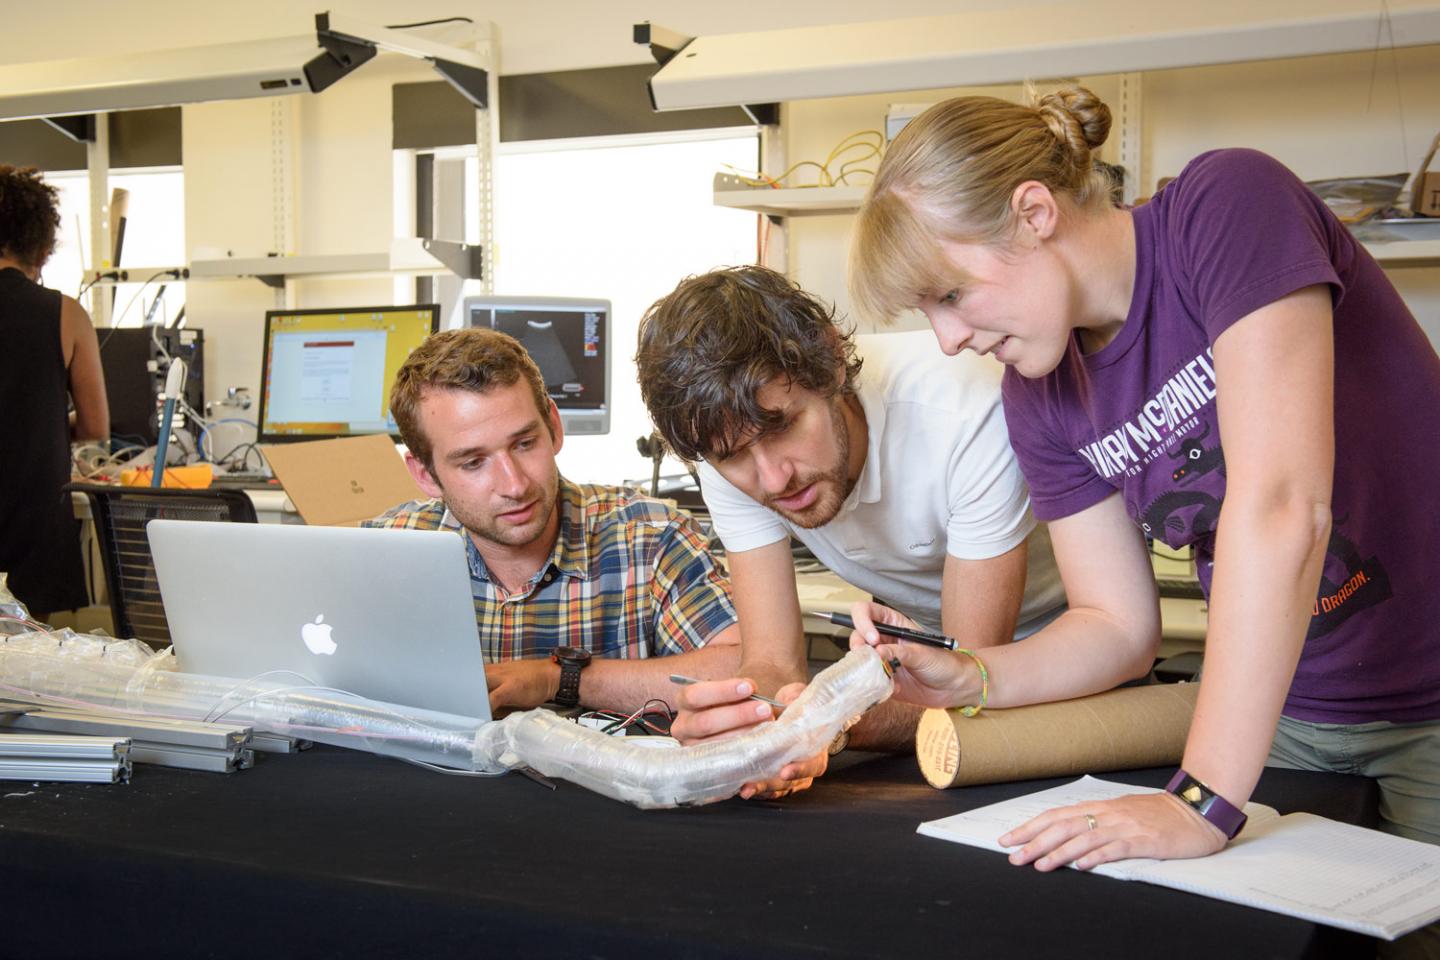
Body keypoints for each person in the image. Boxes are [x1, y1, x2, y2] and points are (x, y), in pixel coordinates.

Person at [847, 87, 1440, 871]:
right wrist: (973, 674)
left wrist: (1204, 801)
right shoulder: (1039, 396)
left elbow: (1285, 507)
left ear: (1033, 212)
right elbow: (1116, 628)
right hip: (1288, 725)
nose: (949, 339)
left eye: (951, 295)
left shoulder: (1227, 206)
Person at [635, 265, 1067, 797]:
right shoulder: (727, 449)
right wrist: (747, 722)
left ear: (832, 362)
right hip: (919, 661)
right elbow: (770, 660)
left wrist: (818, 725)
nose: (773, 478)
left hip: (1058, 660)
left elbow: (965, 682)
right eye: (732, 456)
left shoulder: (965, 414)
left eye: (783, 426)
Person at [365, 327, 740, 717]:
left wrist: (562, 678)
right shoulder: (384, 553)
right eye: (474, 462)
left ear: (554, 428)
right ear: (425, 475)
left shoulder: (652, 539)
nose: (514, 485)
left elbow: (746, 669)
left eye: (525, 444)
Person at [0, 165, 109, 620]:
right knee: (28, 676)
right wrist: (43, 423)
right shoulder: (65, 314)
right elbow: (95, 426)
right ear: (43, 249)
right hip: (31, 530)